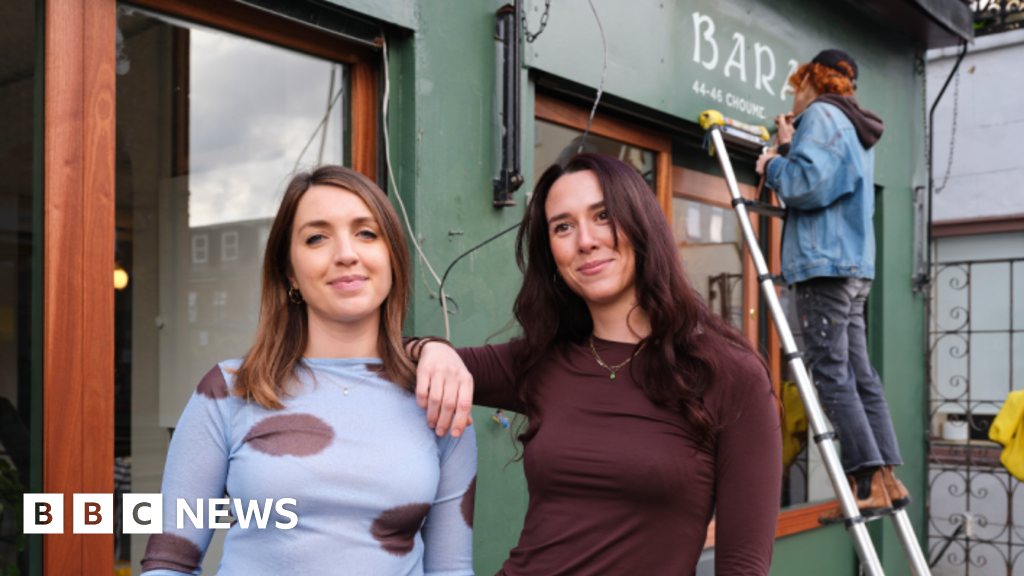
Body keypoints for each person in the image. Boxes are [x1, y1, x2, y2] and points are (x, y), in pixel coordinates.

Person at [411, 153, 782, 575]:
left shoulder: (728, 374)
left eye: (602, 215)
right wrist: (430, 348)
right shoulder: (541, 360)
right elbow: (384, 357)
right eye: (563, 227)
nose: (585, 241)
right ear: (551, 253)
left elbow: (743, 565)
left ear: (641, 224)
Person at [141, 166, 476, 575]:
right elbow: (169, 562)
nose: (346, 253)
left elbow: (451, 571)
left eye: (366, 233)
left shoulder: (439, 395)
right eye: (317, 237)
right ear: (289, 273)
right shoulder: (229, 390)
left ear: (392, 258)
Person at [753, 49, 910, 524]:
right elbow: (830, 176)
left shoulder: (821, 114)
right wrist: (790, 143)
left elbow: (807, 184)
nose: (793, 97)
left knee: (832, 373)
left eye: (795, 85)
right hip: (854, 267)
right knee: (860, 374)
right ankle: (886, 480)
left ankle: (863, 480)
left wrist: (771, 164)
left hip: (823, 265)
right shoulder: (857, 128)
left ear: (810, 80)